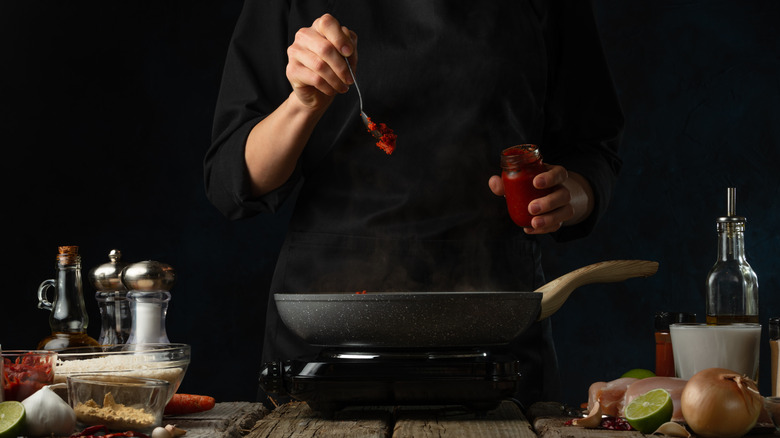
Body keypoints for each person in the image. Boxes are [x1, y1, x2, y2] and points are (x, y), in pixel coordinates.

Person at [204, 0, 623, 408]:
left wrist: (571, 196)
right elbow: (233, 182)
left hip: (492, 315)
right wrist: (303, 104)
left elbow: (593, 150)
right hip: (330, 320)